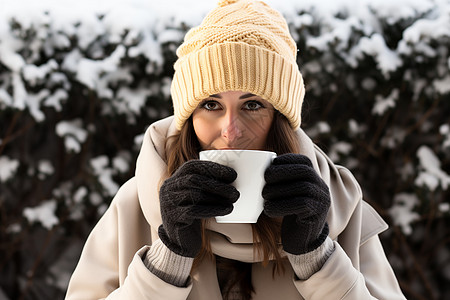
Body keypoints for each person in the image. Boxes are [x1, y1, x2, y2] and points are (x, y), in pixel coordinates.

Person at [65, 0, 406, 299]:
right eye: (211, 105)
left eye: (253, 104)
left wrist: (316, 256)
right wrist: (167, 259)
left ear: (281, 119)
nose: (231, 130)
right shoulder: (136, 205)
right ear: (188, 116)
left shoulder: (340, 208)